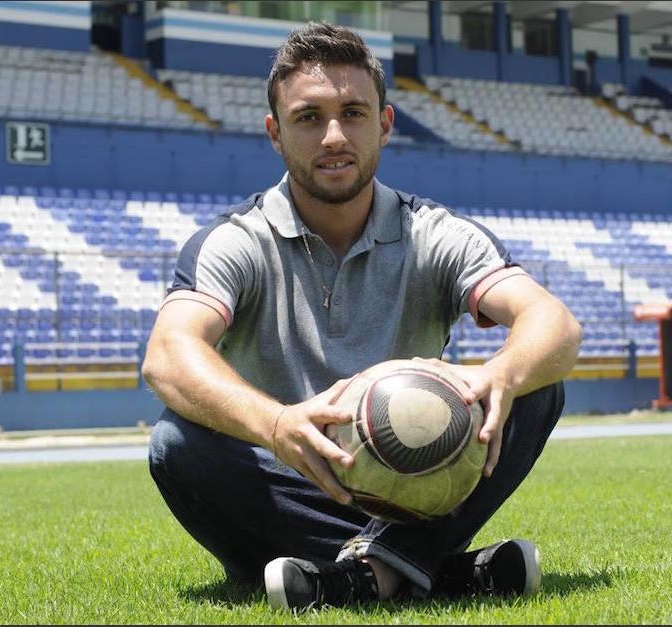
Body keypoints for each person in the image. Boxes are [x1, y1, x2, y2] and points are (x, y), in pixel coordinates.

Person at [143, 20, 583, 611]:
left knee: (535, 386)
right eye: (309, 117)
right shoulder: (235, 240)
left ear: (385, 124)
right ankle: (425, 567)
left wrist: (500, 375)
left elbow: (554, 324)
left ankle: (358, 576)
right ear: (275, 133)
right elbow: (167, 355)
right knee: (176, 444)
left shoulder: (433, 233)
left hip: (416, 481)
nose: (333, 136)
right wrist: (278, 425)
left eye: (352, 113)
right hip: (289, 487)